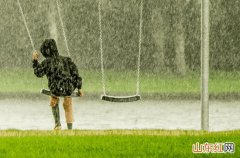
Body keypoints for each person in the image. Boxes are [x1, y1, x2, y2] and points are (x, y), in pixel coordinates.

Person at [32, 39, 83, 130]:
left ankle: (57, 124)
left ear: (46, 50)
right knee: (68, 103)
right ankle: (70, 127)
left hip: (55, 88)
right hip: (68, 88)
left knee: (54, 99)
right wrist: (79, 87)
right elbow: (75, 73)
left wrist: (35, 61)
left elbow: (38, 73)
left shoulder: (47, 62)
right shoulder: (66, 60)